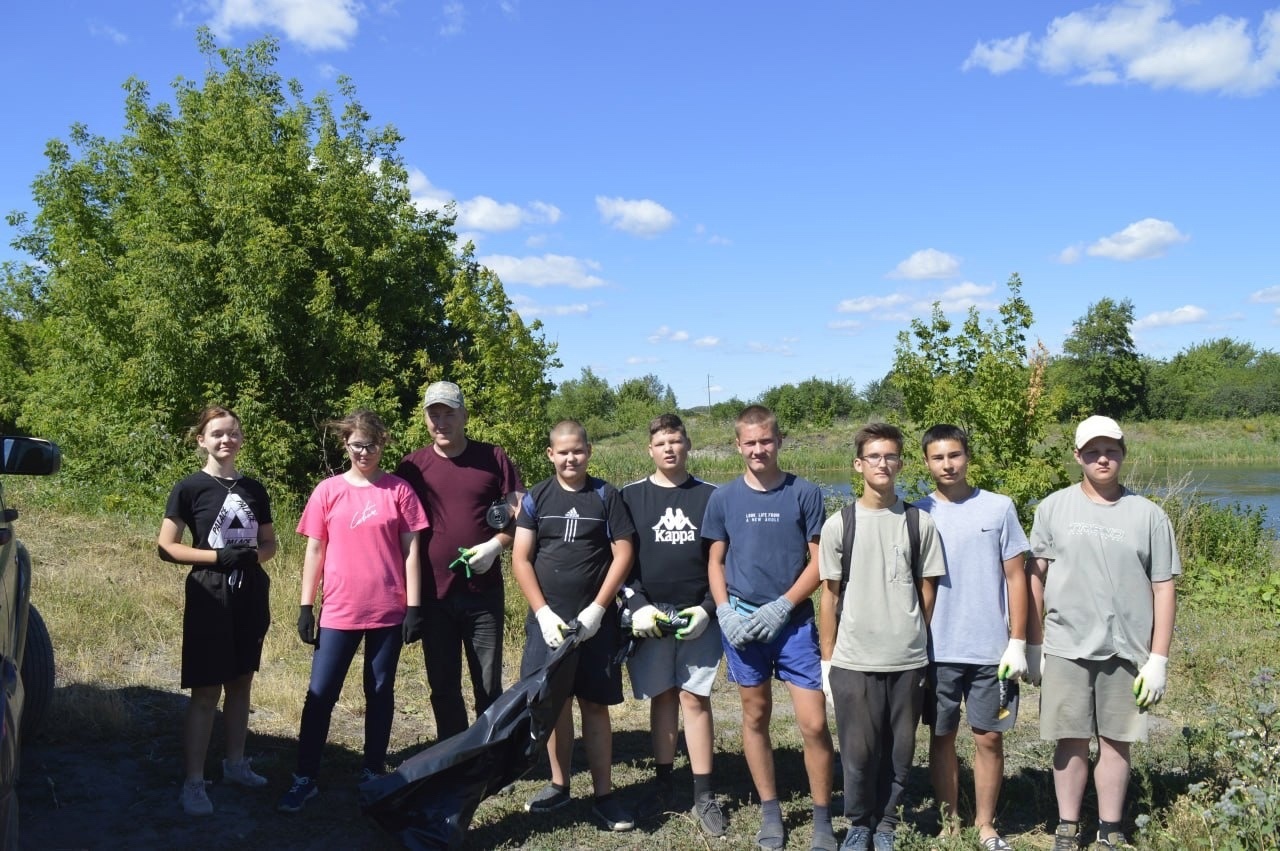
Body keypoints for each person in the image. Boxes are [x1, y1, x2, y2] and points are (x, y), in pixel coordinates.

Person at [1027, 415, 1179, 850]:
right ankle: (1067, 826)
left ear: (1123, 453)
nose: (1102, 458)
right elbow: (1034, 577)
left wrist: (1158, 659)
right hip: (1065, 647)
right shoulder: (1053, 508)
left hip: (1127, 652)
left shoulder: (1149, 515)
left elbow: (1163, 587)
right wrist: (1032, 642)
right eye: (1092, 451)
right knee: (1070, 741)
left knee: (1117, 743)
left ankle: (1110, 828)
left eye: (1111, 450)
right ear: (1078, 456)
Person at [278, 410, 429, 813]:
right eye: (357, 444)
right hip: (339, 610)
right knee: (321, 693)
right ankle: (305, 777)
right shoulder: (327, 491)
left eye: (372, 444)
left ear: (384, 444)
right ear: (345, 443)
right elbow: (314, 549)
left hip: (388, 609)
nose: (365, 452)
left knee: (379, 692)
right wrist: (306, 605)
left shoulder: (398, 491)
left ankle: (372, 771)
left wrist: (414, 606)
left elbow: (411, 550)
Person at [704, 404, 837, 851]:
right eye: (750, 442)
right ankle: (770, 809)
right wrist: (724, 611)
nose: (758, 449)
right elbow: (715, 561)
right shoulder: (723, 498)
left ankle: (822, 818)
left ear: (779, 441)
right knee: (755, 714)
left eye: (766, 440)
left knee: (814, 723)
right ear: (737, 446)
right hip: (742, 623)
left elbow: (819, 562)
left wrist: (783, 605)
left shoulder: (805, 492)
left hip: (792, 624)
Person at [817, 422, 946, 851]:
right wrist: (827, 660)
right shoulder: (840, 524)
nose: (883, 464)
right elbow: (829, 597)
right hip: (853, 660)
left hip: (908, 658)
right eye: (874, 456)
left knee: (900, 750)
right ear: (858, 465)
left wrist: (912, 631)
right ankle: (858, 822)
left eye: (891, 456)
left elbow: (927, 589)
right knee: (857, 750)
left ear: (901, 463)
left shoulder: (918, 522)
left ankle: (887, 822)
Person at [512, 420, 637, 832]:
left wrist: (600, 609)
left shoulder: (605, 496)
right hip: (548, 622)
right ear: (550, 454)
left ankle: (604, 795)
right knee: (554, 703)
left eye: (578, 450)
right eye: (563, 451)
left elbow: (623, 554)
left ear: (589, 451)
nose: (571, 458)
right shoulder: (536, 497)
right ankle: (559, 784)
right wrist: (543, 612)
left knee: (595, 705)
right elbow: (521, 558)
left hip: (594, 625)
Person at [158, 405, 278, 816]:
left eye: (232, 433)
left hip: (249, 592)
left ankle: (236, 764)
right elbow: (167, 546)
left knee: (241, 680)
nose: (226, 440)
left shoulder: (254, 489)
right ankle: (193, 782)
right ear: (202, 440)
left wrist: (251, 559)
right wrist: (216, 558)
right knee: (207, 689)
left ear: (241, 439)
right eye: (217, 434)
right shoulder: (190, 488)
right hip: (209, 592)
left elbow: (269, 543)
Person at [915, 424, 1030, 850]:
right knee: (941, 737)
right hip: (936, 649)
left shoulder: (999, 508)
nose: (948, 464)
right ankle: (949, 823)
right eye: (938, 457)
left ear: (968, 457)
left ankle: (985, 825)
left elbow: (1016, 578)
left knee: (989, 737)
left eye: (955, 455)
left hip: (990, 650)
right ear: (926, 462)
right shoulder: (916, 512)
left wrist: (1018, 641)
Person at [395, 381, 524, 740]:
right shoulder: (411, 467)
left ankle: (489, 754)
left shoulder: (493, 458)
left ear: (464, 415)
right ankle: (453, 754)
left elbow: (522, 517)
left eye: (448, 413)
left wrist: (496, 546)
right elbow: (397, 530)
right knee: (443, 683)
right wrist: (409, 600)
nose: (441, 421)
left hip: (482, 594)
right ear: (425, 419)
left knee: (487, 682)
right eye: (433, 414)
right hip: (434, 596)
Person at [619, 414, 727, 837]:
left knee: (694, 698)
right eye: (661, 442)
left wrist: (707, 608)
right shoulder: (630, 497)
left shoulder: (710, 496)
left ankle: (704, 794)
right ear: (650, 449)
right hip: (650, 615)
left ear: (688, 446)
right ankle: (663, 785)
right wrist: (638, 604)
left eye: (676, 441)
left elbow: (723, 560)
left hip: (697, 612)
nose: (669, 448)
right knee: (662, 696)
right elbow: (620, 560)